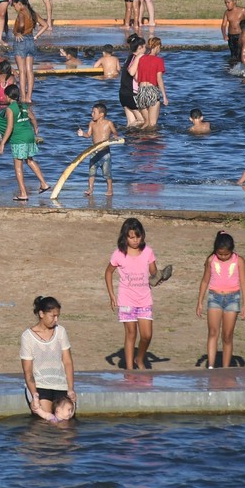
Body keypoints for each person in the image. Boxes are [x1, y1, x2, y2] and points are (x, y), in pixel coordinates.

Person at [105, 216, 160, 370]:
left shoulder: (148, 252)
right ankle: (129, 369)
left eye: (138, 236)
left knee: (147, 335)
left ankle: (139, 359)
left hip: (144, 299)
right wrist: (112, 296)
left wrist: (159, 277)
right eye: (131, 237)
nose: (135, 240)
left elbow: (154, 273)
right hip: (126, 300)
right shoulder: (118, 254)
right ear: (125, 237)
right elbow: (108, 273)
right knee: (131, 334)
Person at [196, 231, 245, 369]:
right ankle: (211, 367)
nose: (223, 257)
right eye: (220, 254)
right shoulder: (211, 260)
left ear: (232, 251)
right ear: (215, 250)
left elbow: (244, 283)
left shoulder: (239, 261)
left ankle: (225, 369)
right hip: (215, 297)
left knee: (227, 335)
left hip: (233, 299)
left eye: (226, 254)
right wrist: (200, 302)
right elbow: (205, 281)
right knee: (213, 332)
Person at [20, 295, 76, 422]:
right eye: (53, 316)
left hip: (61, 385)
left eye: (58, 316)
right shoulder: (27, 337)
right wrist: (35, 395)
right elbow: (28, 371)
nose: (56, 320)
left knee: (65, 420)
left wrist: (71, 388)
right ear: (41, 314)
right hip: (40, 385)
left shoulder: (61, 332)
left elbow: (67, 362)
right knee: (46, 420)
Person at [0, 83, 47, 200]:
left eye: (5, 96)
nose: (4, 98)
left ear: (8, 97)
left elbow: (9, 128)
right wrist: (35, 128)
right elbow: (33, 118)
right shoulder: (24, 105)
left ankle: (23, 193)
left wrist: (2, 143)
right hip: (29, 136)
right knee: (29, 160)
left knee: (18, 166)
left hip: (19, 139)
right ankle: (44, 183)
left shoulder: (10, 109)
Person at [78, 101, 117, 194]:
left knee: (107, 173)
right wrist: (82, 134)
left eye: (94, 112)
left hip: (105, 152)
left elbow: (115, 134)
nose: (92, 114)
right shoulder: (92, 123)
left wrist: (114, 138)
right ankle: (90, 189)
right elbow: (88, 135)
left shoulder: (108, 123)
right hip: (94, 151)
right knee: (91, 171)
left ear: (101, 114)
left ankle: (110, 190)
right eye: (92, 112)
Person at [132, 36, 168, 130]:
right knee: (152, 124)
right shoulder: (159, 60)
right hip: (152, 91)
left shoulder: (141, 58)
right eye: (160, 47)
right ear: (157, 47)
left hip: (141, 92)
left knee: (146, 122)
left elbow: (135, 77)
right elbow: (159, 79)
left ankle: (140, 139)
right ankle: (152, 143)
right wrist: (164, 96)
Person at [10, 0, 40, 102]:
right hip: (31, 40)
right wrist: (36, 36)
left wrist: (18, 32)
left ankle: (23, 97)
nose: (14, 8)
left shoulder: (21, 12)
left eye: (14, 5)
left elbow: (22, 24)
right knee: (30, 71)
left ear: (19, 3)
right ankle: (29, 97)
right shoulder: (32, 13)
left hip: (21, 42)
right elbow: (45, 25)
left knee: (22, 72)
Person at [118, 35, 146, 130]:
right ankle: (121, 129)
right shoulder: (137, 58)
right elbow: (135, 75)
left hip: (123, 94)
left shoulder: (129, 57)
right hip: (131, 94)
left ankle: (130, 141)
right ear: (140, 48)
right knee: (144, 121)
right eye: (144, 47)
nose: (146, 49)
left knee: (131, 122)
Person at [219, 0, 245, 68]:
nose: (227, 5)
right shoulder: (227, 12)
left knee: (241, 54)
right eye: (225, 3)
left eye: (228, 2)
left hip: (240, 35)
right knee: (233, 55)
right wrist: (224, 35)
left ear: (234, 2)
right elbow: (223, 25)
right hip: (231, 37)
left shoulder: (243, 10)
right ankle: (232, 69)